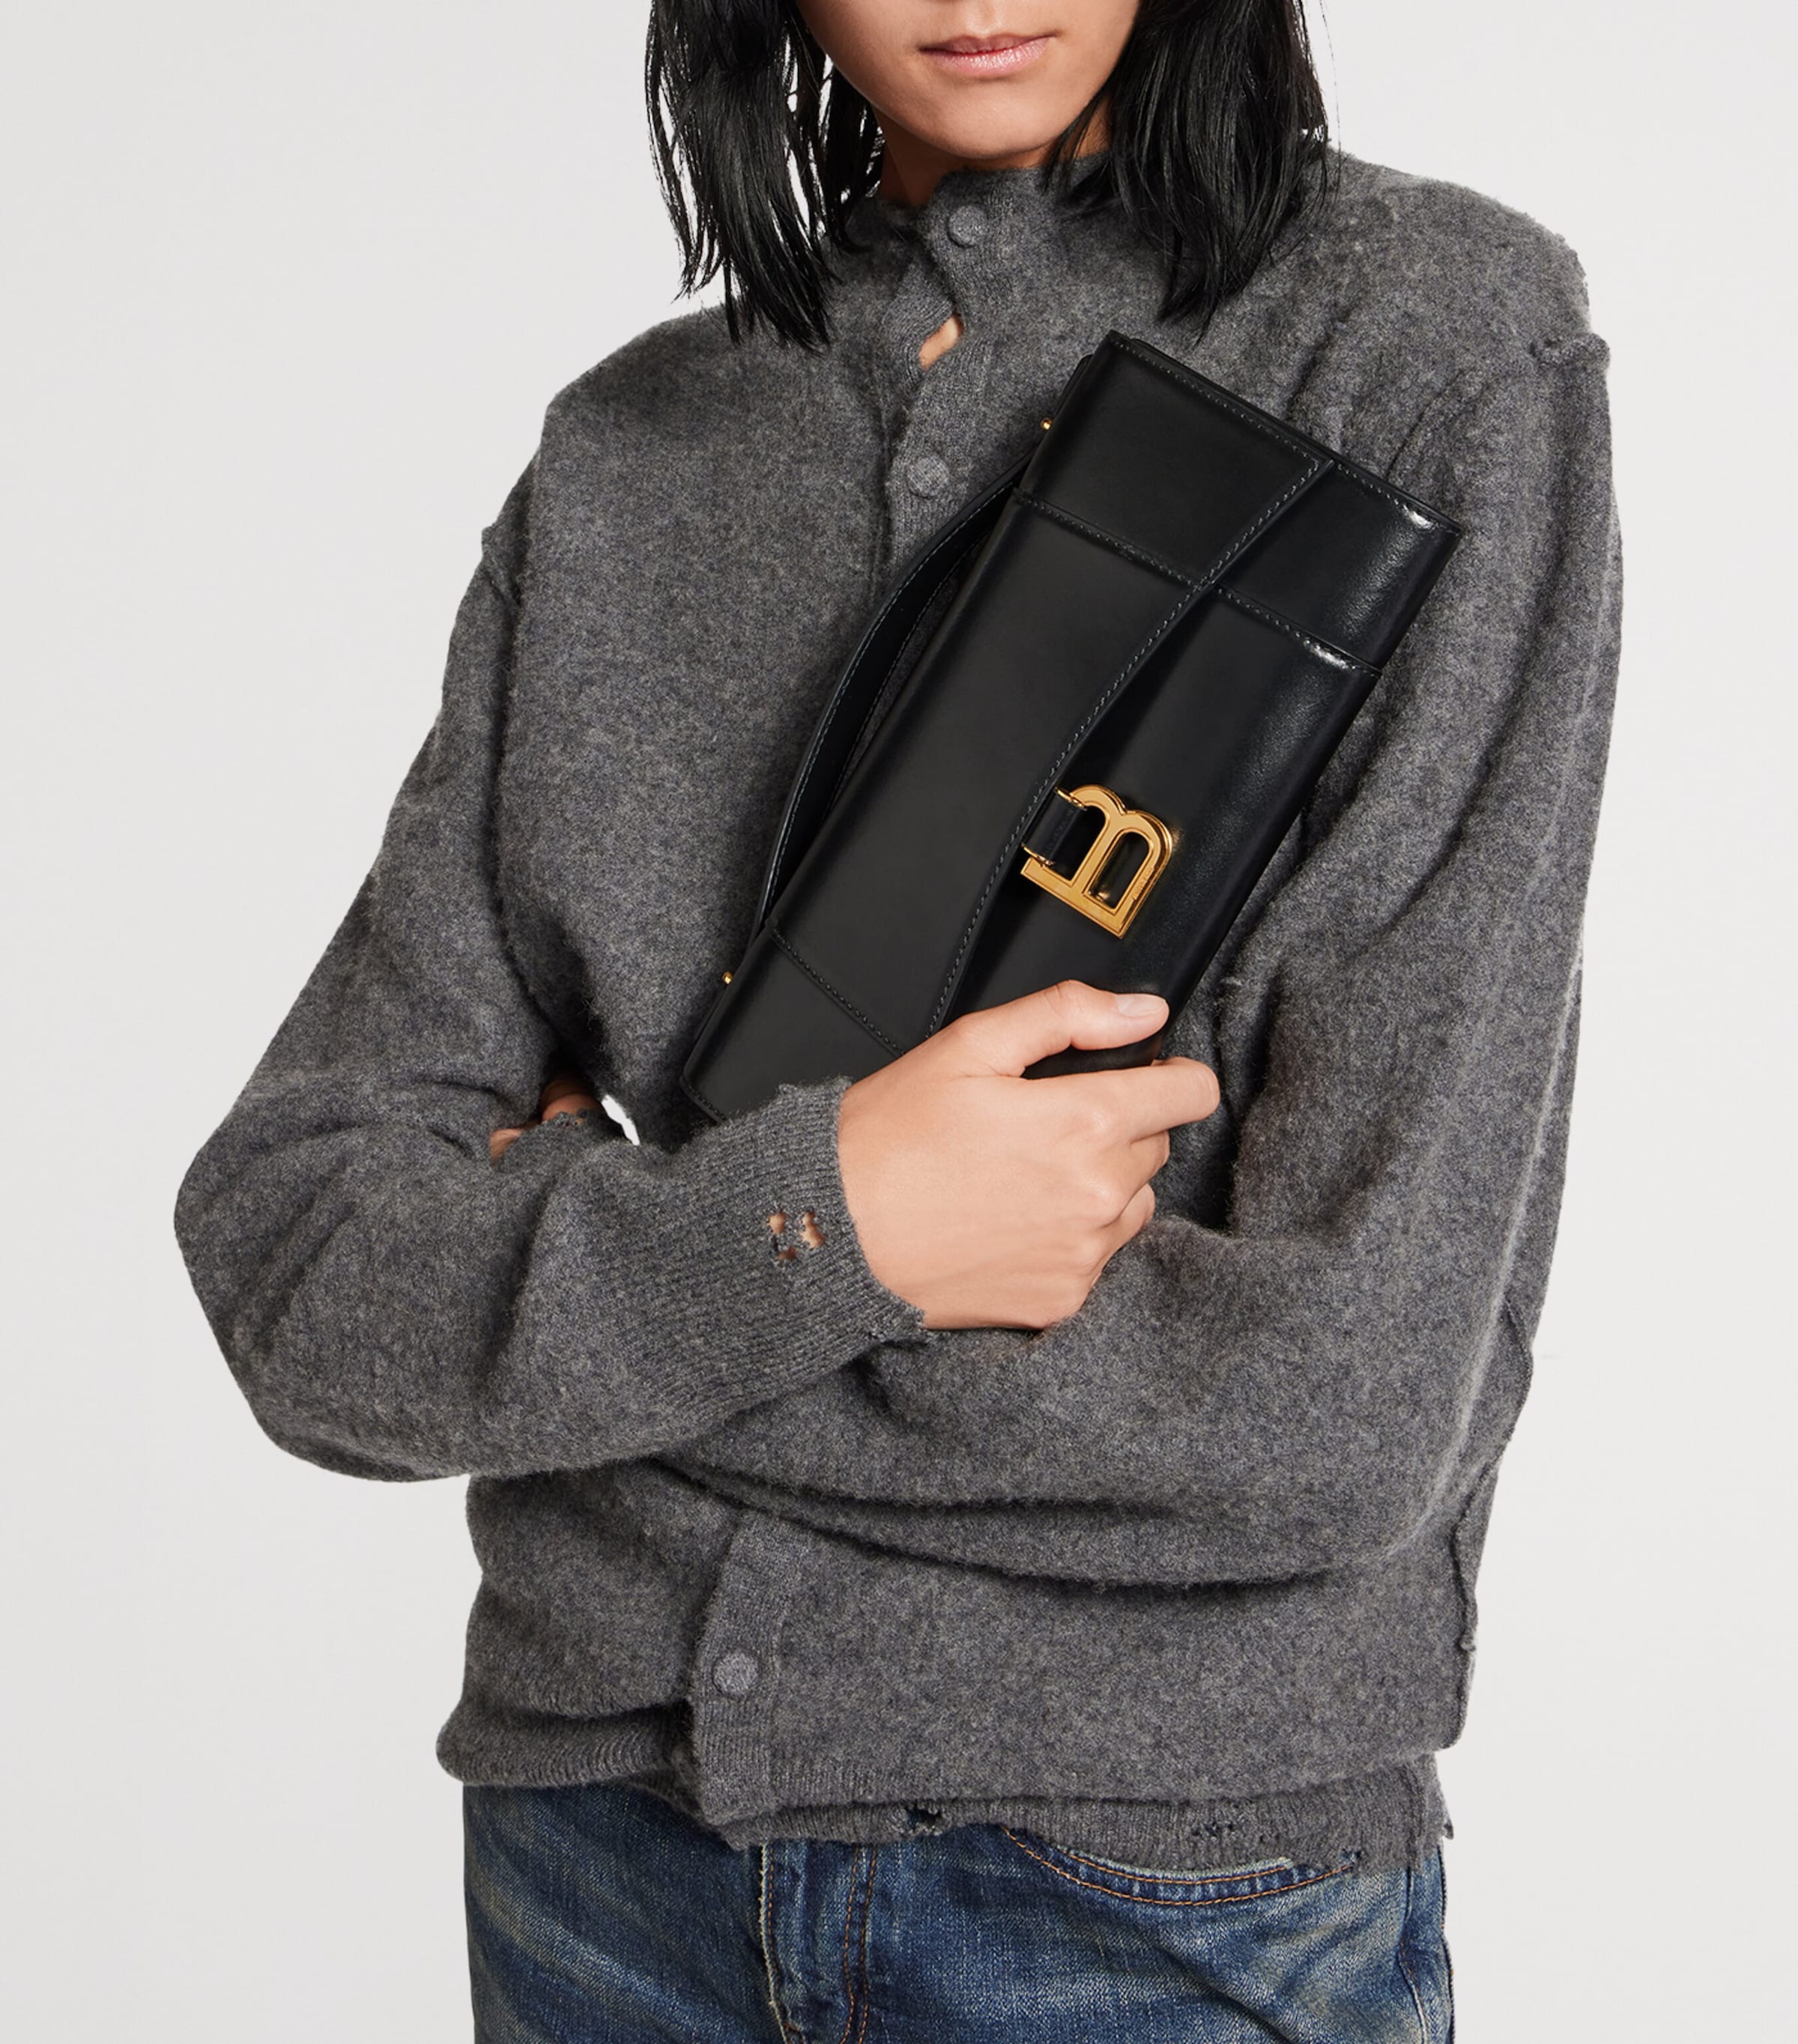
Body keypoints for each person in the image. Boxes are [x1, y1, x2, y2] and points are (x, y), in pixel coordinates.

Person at [174, 2, 1620, 2037]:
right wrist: (832, 1220)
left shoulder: (1432, 346)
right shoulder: (629, 451)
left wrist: (598, 1325)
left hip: (1157, 1893)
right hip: (600, 1865)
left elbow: (1336, 1408)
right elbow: (300, 1262)